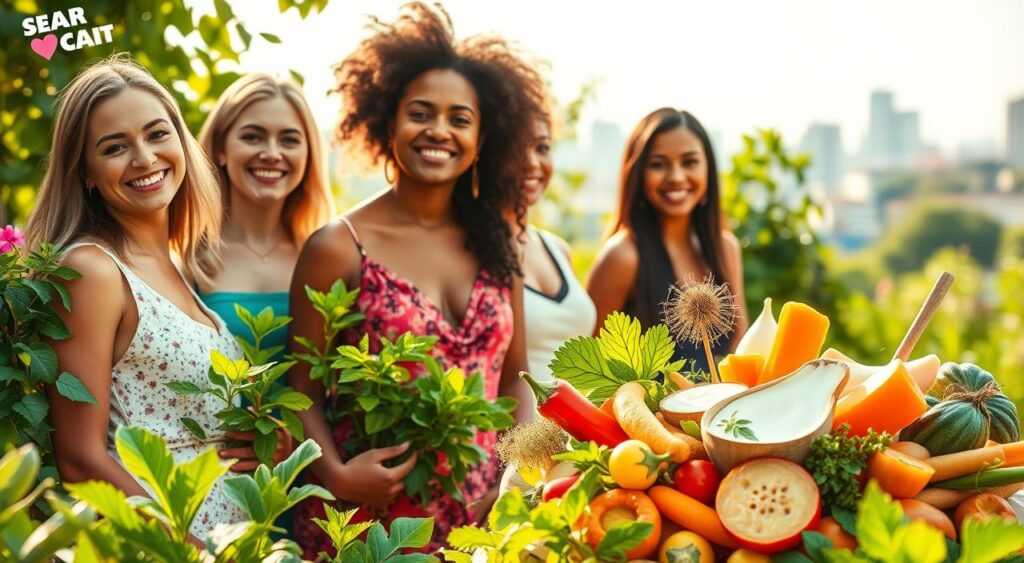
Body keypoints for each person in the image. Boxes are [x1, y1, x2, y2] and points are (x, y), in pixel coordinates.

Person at [289, 2, 544, 554]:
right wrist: (333, 473)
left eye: (460, 118)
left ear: (483, 139)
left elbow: (516, 375)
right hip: (365, 524)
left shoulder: (500, 244)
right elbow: (300, 392)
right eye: (421, 112)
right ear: (387, 121)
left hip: (484, 523)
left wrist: (515, 475)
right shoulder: (339, 246)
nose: (439, 131)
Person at [22, 56, 295, 540]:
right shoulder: (92, 270)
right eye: (115, 147)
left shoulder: (174, 265)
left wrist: (266, 443)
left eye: (157, 134)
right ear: (85, 171)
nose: (145, 158)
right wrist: (191, 552)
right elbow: (81, 459)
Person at [586, 108, 748, 372]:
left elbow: (741, 351)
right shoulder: (623, 256)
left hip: (725, 413)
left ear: (708, 168)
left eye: (689, 162)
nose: (676, 177)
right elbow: (588, 370)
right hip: (639, 413)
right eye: (658, 164)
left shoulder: (725, 248)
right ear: (637, 174)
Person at [196, 73, 333, 366]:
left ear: (308, 153)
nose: (272, 154)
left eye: (289, 140)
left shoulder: (328, 255)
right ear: (221, 149)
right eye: (252, 136)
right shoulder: (187, 258)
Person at [515, 114, 596, 381]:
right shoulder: (470, 253)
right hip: (517, 423)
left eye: (542, 148)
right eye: (515, 148)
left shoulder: (557, 248)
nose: (532, 163)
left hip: (575, 422)